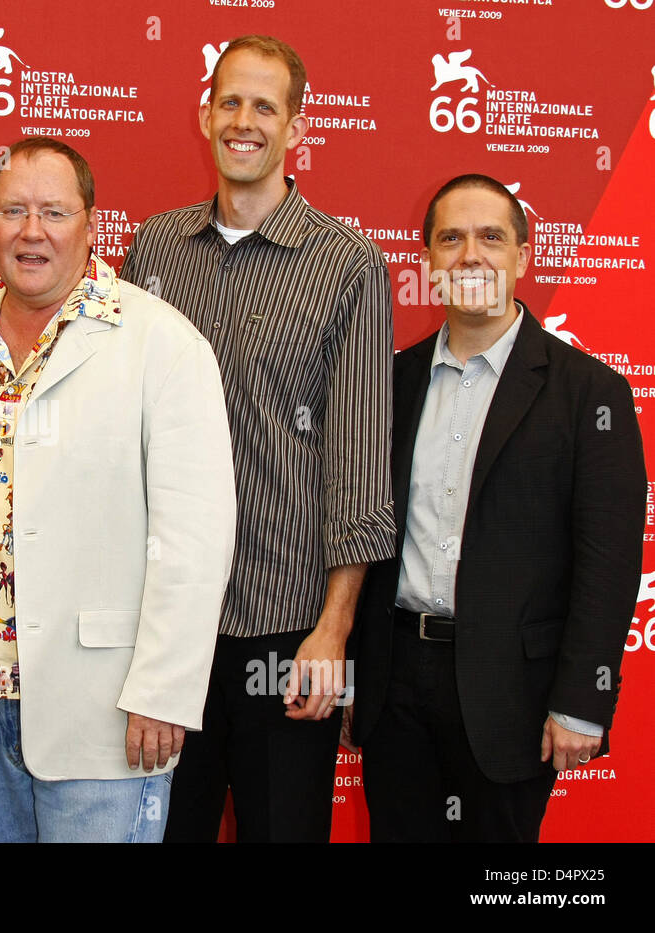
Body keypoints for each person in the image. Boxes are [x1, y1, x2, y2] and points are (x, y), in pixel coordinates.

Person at [0, 137, 236, 843]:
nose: (32, 231)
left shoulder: (162, 344)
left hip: (109, 709)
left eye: (54, 212)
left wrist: (164, 691)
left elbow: (196, 539)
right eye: (13, 210)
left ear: (91, 223)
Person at [119, 34, 395, 842]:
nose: (245, 121)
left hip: (286, 628)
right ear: (205, 115)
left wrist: (333, 626)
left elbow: (358, 464)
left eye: (265, 106)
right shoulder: (154, 248)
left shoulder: (349, 266)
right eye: (230, 102)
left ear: (297, 128)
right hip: (169, 627)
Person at [351, 174, 645, 842]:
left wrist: (583, 701)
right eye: (450, 239)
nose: (470, 255)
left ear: (524, 254)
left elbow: (609, 563)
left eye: (491, 237)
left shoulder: (588, 393)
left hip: (512, 695)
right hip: (395, 685)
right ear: (427, 260)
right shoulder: (392, 381)